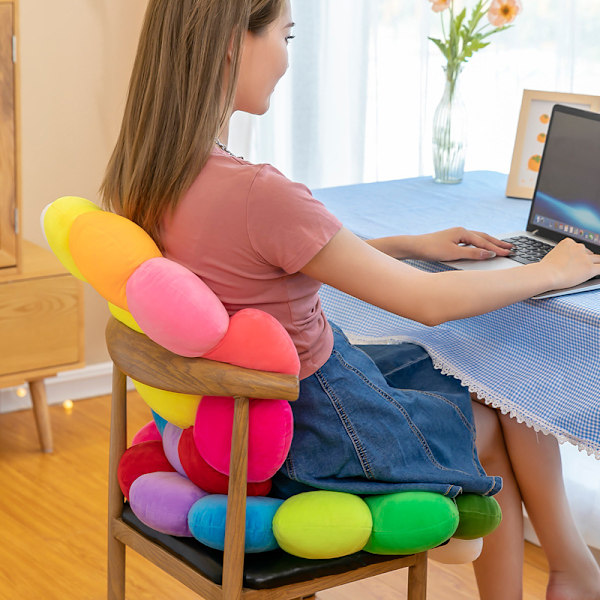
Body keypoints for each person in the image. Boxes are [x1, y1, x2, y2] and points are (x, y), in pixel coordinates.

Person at [101, 1, 600, 598]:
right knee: (497, 415)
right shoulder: (260, 193)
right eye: (286, 36)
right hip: (315, 427)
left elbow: (257, 259)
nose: (288, 59)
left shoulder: (152, 172)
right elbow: (426, 301)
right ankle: (571, 574)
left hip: (252, 415)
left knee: (492, 375)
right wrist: (550, 271)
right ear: (234, 42)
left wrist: (405, 243)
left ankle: (572, 571)